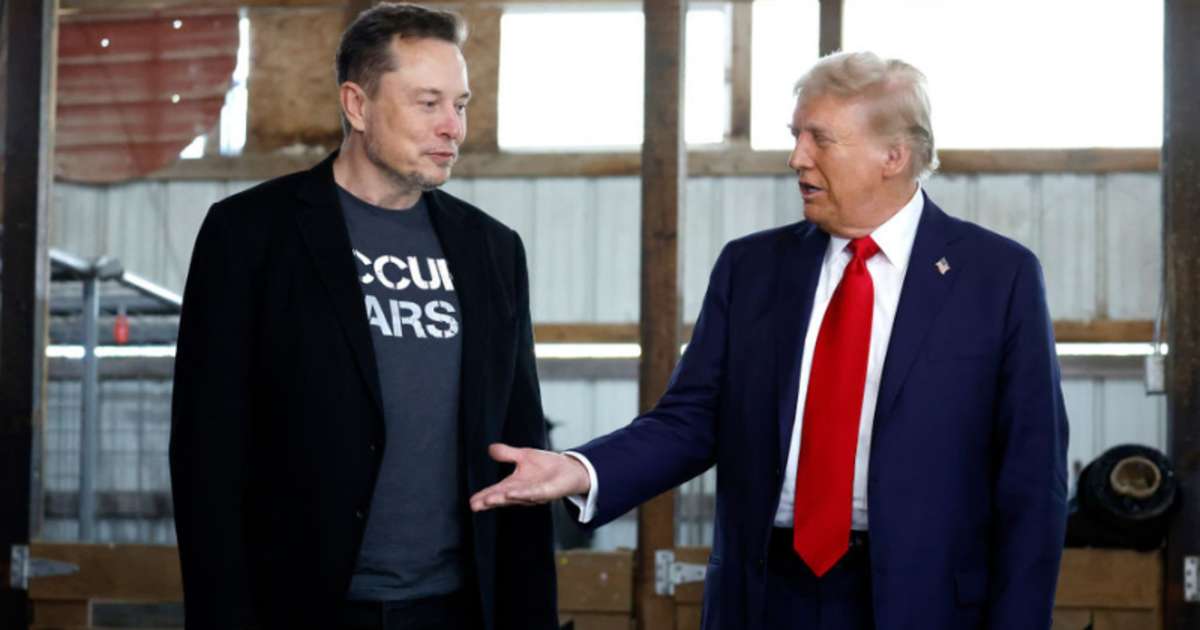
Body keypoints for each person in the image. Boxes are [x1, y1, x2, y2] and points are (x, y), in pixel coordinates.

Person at [470, 51, 1069, 630]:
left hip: (924, 601)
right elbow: (691, 420)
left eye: (820, 138)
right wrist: (581, 469)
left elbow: (1031, 481)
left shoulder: (998, 277)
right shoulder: (751, 268)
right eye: (795, 135)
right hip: (761, 596)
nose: (796, 159)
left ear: (894, 154)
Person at [169, 4, 556, 629]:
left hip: (456, 607)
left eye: (460, 104)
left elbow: (521, 436)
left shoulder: (491, 248)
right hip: (302, 603)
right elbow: (205, 452)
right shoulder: (249, 235)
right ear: (357, 105)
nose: (452, 127)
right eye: (428, 103)